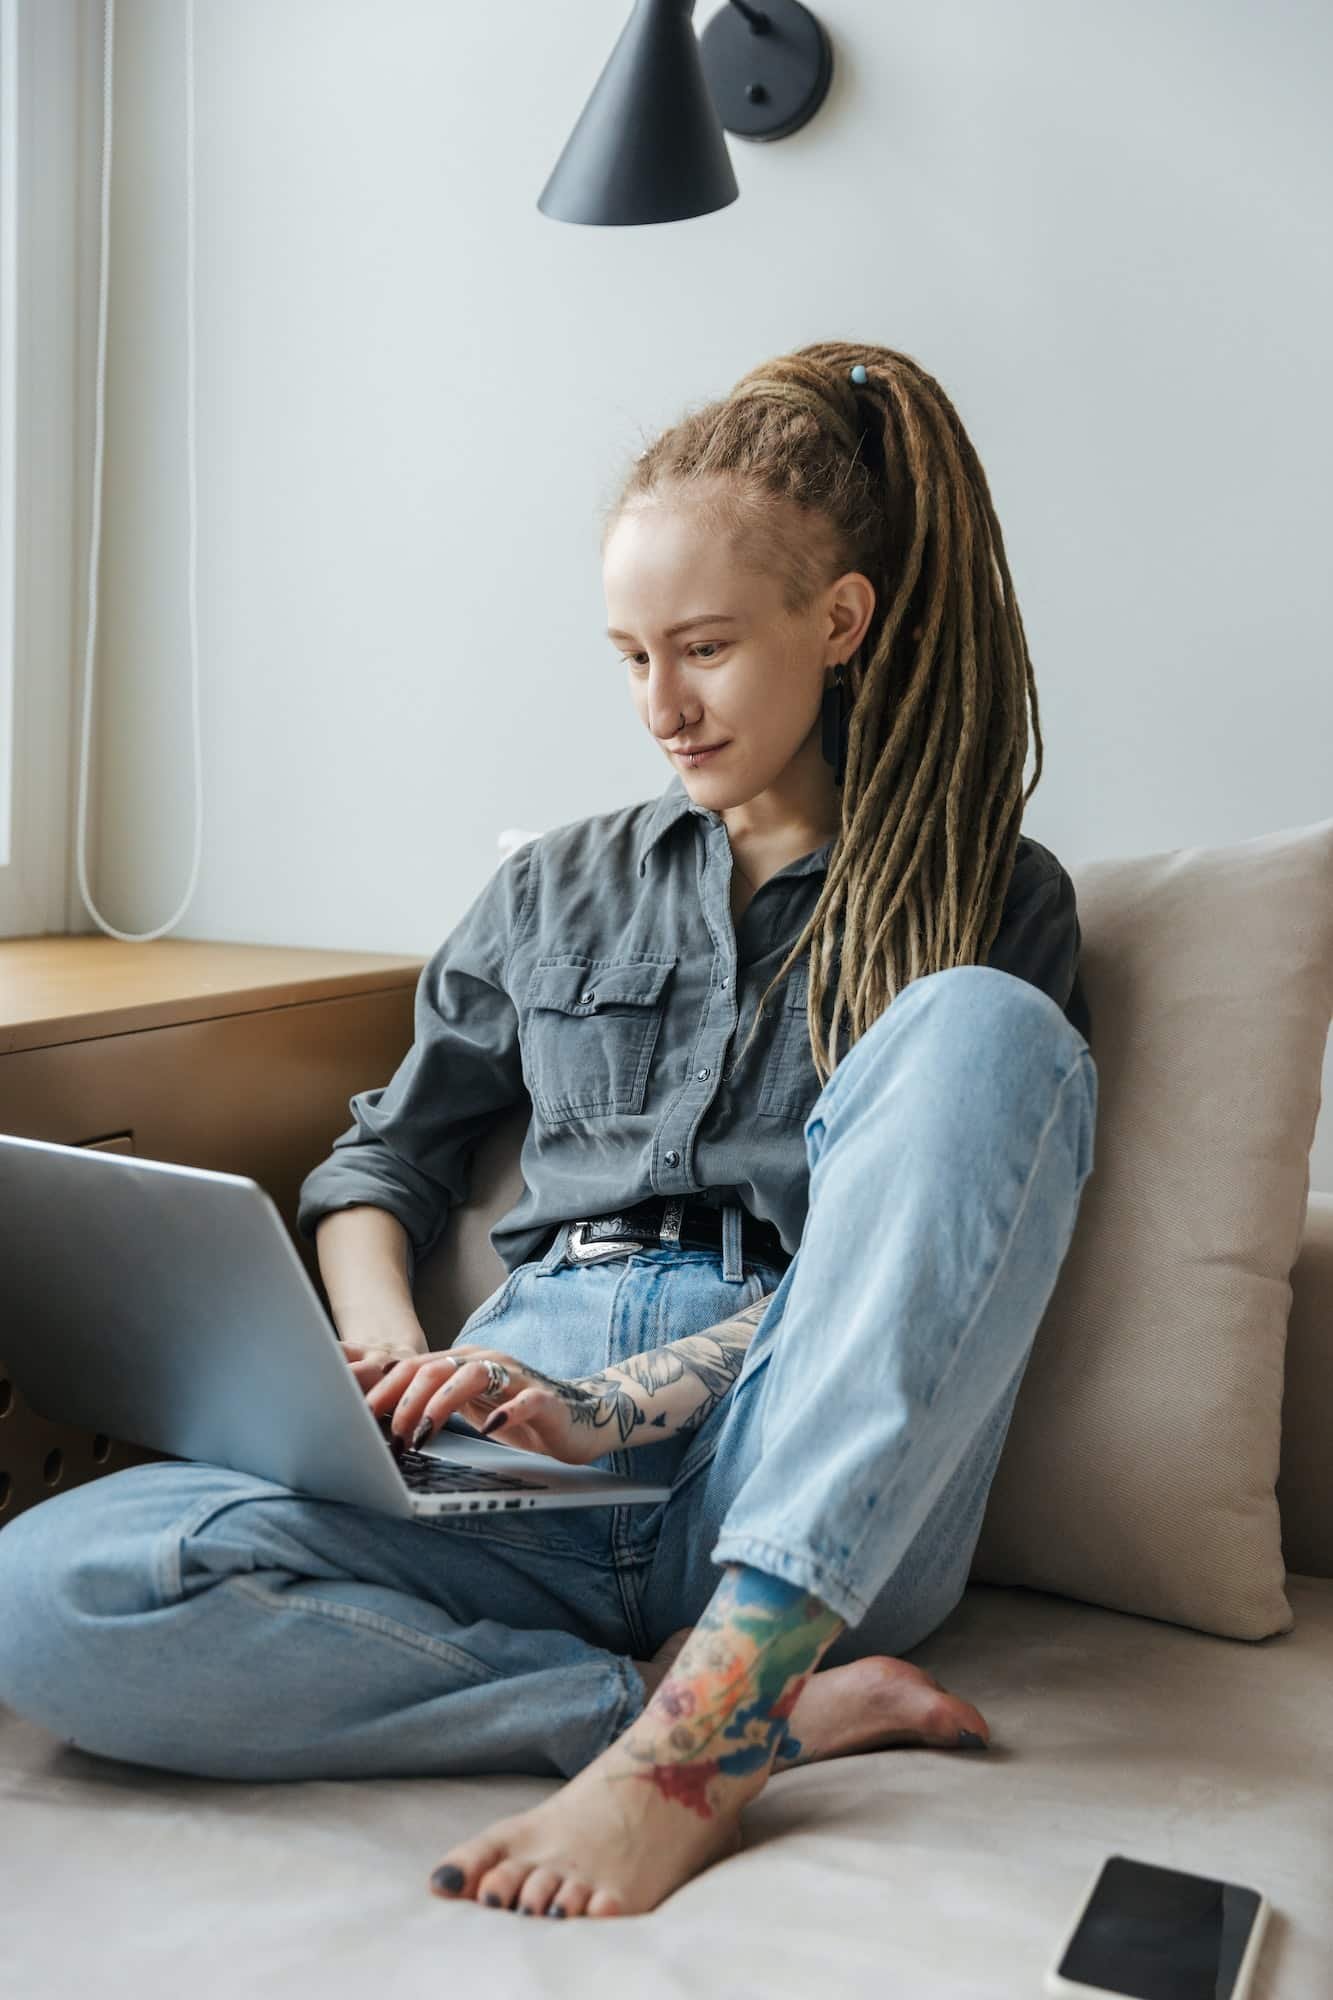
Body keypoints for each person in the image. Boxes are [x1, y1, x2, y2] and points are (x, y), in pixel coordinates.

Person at [0, 341, 1097, 1922]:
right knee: (53, 1594)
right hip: (504, 1470)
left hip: (780, 1463)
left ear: (837, 621)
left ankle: (707, 1733)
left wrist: (622, 1401)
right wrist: (377, 1366)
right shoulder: (553, 888)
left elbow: (935, 1270)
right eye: (629, 654)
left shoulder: (991, 892)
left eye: (705, 647)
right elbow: (381, 1167)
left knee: (983, 1030)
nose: (663, 703)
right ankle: (648, 1713)